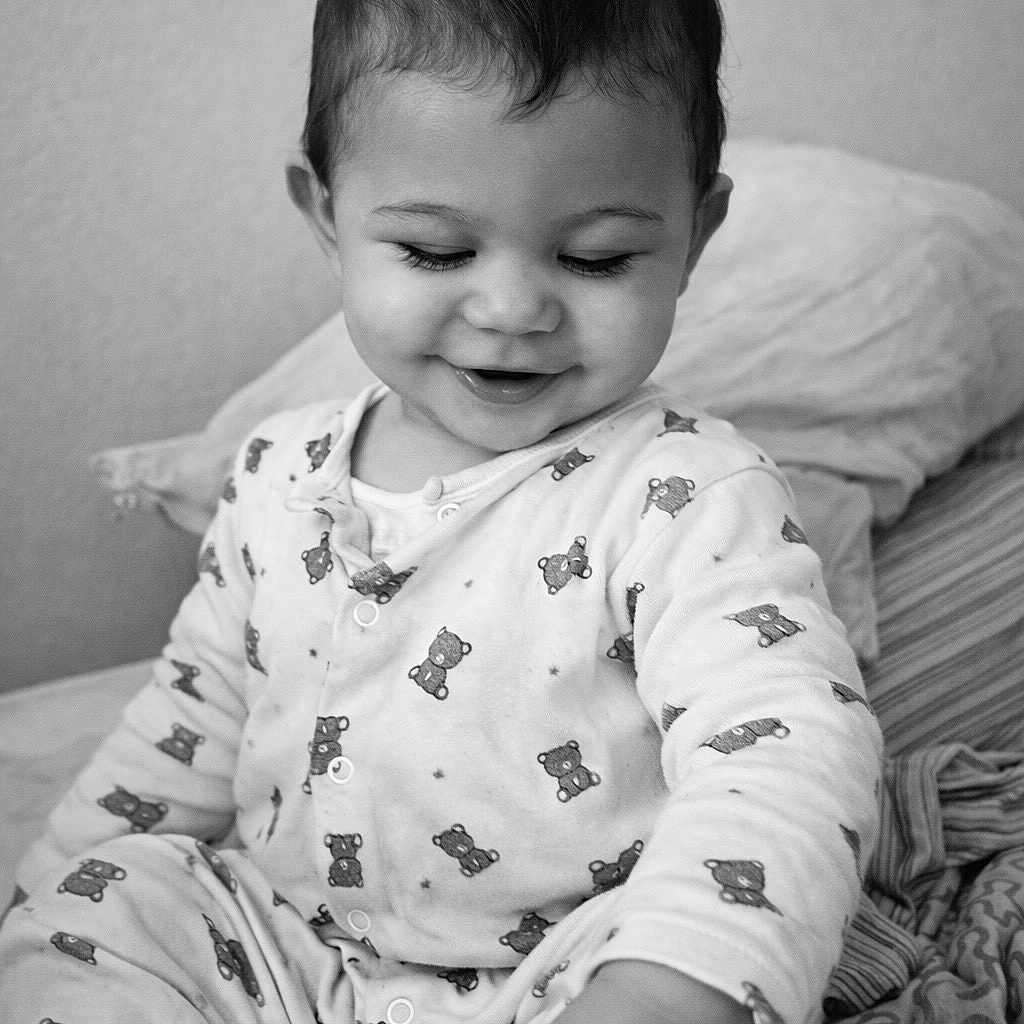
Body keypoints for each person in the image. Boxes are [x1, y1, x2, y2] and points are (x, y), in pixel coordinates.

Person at [0, 2, 883, 1022]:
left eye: (595, 258)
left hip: (566, 966)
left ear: (695, 234)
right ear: (325, 213)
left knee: (709, 947)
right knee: (107, 907)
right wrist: (53, 883)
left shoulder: (686, 493)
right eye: (432, 251)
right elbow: (191, 719)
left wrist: (666, 984)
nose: (511, 309)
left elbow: (783, 750)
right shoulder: (274, 474)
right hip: (283, 950)